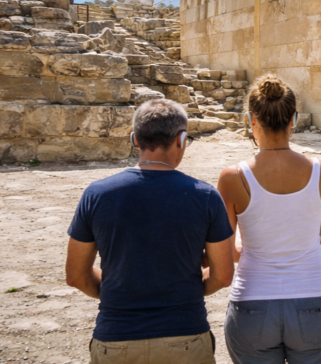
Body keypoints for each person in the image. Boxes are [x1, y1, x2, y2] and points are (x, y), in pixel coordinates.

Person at [65, 99, 235, 364]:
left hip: (115, 337)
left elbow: (76, 276)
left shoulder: (96, 195)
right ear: (181, 139)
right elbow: (223, 275)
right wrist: (185, 287)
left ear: (135, 139)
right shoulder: (205, 197)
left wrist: (120, 290)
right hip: (185, 337)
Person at [216, 75, 321, 364]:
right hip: (314, 297)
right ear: (294, 119)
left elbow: (224, 249)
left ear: (252, 119)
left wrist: (254, 254)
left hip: (252, 301)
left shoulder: (232, 177)